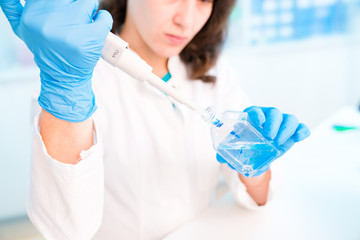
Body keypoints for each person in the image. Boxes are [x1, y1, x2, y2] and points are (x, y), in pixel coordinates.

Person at [1, 0, 310, 239]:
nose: (186, 20)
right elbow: (65, 229)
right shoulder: (75, 77)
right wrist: (65, 88)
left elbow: (257, 196)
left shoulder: (214, 71)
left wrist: (255, 163)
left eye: (203, 0)